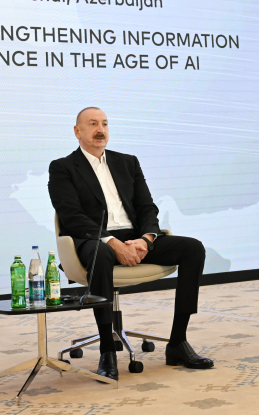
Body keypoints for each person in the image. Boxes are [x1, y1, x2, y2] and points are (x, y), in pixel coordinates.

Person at [48, 107, 214, 381]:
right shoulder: (63, 167)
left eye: (104, 124)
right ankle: (107, 350)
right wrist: (114, 243)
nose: (100, 130)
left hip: (135, 238)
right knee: (102, 253)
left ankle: (177, 342)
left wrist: (146, 240)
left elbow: (147, 207)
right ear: (77, 131)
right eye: (93, 124)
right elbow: (71, 216)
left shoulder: (127, 162)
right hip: (93, 239)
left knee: (192, 248)